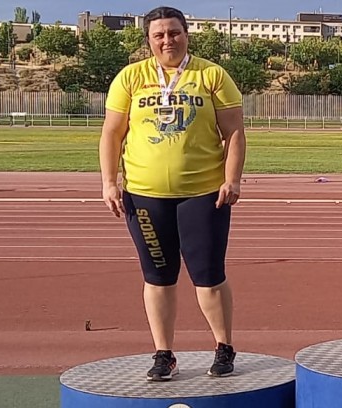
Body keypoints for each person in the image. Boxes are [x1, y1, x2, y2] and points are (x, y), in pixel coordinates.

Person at [99, 6, 246, 381]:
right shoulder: (131, 78)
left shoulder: (211, 75)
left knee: (208, 275)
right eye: (159, 35)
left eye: (174, 32)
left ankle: (224, 346)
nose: (168, 40)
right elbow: (112, 133)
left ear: (187, 35)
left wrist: (232, 179)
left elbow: (234, 132)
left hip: (203, 193)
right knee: (157, 276)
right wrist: (109, 182)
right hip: (145, 196)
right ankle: (163, 353)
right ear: (148, 40)